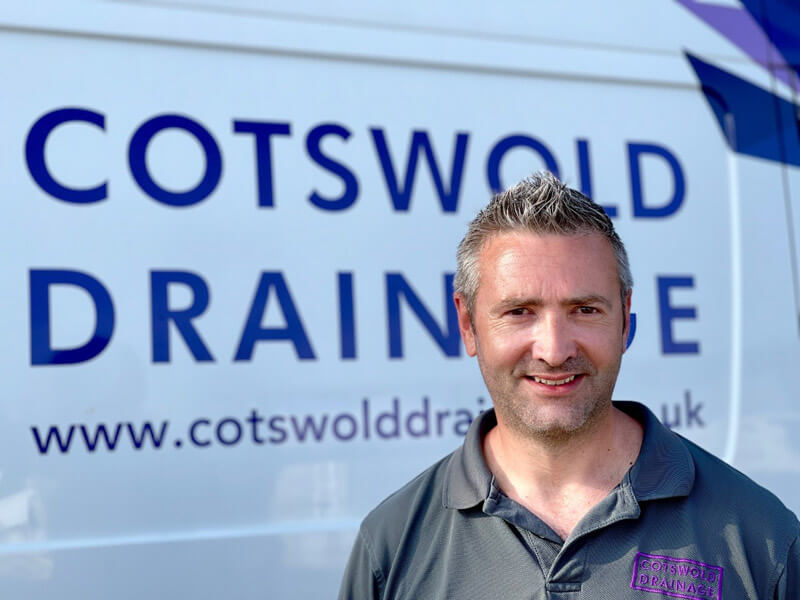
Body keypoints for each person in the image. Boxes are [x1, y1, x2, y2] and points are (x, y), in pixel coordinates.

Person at [338, 172, 799, 599]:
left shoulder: (761, 538)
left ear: (625, 318)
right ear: (467, 324)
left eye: (585, 309)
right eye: (519, 312)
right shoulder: (392, 547)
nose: (554, 350)